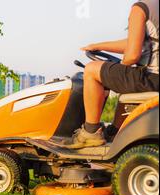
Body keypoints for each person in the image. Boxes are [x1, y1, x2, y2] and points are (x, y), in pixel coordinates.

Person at [67, 0, 159, 149]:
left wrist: (121, 65)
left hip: (150, 78)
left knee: (91, 70)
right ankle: (115, 131)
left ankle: (90, 132)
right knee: (114, 74)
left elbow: (132, 55)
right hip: (154, 78)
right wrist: (99, 46)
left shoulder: (140, 8)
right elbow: (138, 41)